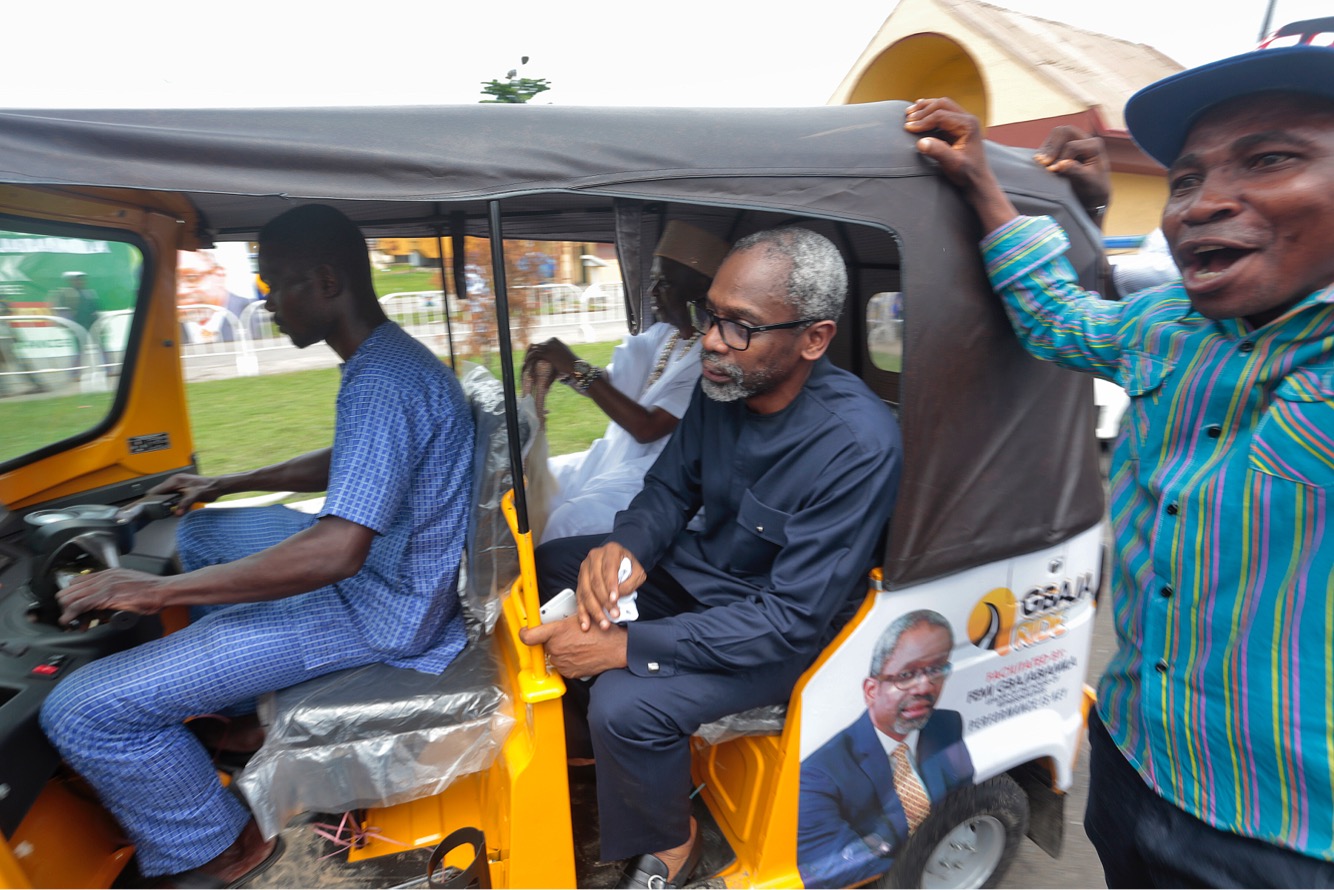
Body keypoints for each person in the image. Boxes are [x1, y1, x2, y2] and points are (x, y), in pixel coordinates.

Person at [904, 19, 1334, 887]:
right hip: (1137, 764)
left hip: (1290, 837)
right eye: (1187, 179)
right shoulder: (1165, 326)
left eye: (1269, 159)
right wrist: (985, 180)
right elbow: (1054, 315)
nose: (1202, 204)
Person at [39, 203, 476, 888]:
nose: (267, 303)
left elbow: (336, 553)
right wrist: (226, 482)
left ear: (327, 282)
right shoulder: (388, 360)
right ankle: (247, 723)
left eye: (275, 285)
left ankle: (219, 848)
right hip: (390, 574)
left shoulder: (382, 381)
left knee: (82, 709)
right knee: (203, 531)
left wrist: (156, 590)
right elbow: (355, 460)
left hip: (378, 609)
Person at [521, 225, 903, 889]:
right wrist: (625, 548)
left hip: (782, 634)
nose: (712, 340)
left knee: (625, 703)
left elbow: (790, 620)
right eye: (710, 315)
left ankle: (674, 842)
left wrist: (622, 647)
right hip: (703, 577)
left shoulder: (858, 445)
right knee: (555, 566)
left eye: (740, 326)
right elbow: (670, 488)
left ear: (814, 338)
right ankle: (616, 757)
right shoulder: (722, 385)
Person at [524, 221, 728, 542]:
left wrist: (575, 367)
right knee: (534, 484)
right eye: (653, 281)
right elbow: (613, 386)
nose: (652, 292)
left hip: (665, 479)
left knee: (565, 523)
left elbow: (647, 428)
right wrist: (564, 371)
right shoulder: (663, 335)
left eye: (664, 283)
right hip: (618, 458)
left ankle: (549, 574)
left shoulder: (716, 358)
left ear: (700, 291)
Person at [797, 609, 974, 888]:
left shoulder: (945, 725)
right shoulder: (818, 774)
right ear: (871, 690)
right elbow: (832, 867)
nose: (925, 687)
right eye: (906, 674)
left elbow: (964, 798)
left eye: (936, 669)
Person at [176, 247, 261, 343]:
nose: (181, 291)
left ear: (219, 275)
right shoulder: (164, 325)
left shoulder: (258, 312)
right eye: (171, 281)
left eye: (191, 278)